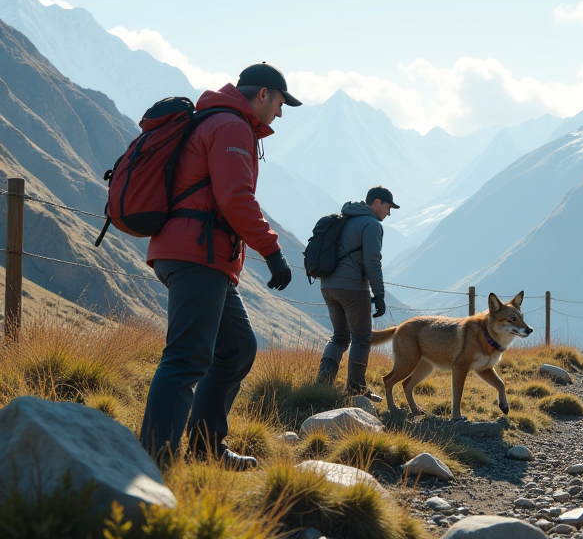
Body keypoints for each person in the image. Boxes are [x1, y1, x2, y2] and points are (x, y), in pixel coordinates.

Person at [140, 63, 301, 470]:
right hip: (197, 254)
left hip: (200, 254)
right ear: (263, 94)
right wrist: (272, 251)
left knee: (236, 348)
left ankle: (204, 448)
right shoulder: (231, 126)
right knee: (186, 358)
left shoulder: (219, 119)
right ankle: (154, 464)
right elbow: (234, 197)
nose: (280, 114)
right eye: (281, 103)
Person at [316, 186, 399, 400]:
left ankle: (322, 385)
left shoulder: (345, 217)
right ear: (377, 202)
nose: (388, 213)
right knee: (362, 338)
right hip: (352, 287)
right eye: (388, 207)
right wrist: (379, 295)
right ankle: (355, 389)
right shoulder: (371, 224)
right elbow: (372, 261)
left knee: (340, 336)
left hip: (327, 285)